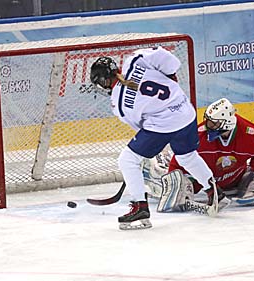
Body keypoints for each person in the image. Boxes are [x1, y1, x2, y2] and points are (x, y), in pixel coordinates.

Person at [89, 46, 227, 230]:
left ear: (104, 82)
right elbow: (172, 62)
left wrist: (154, 141)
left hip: (164, 124)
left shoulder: (118, 103)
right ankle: (214, 191)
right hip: (186, 111)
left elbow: (141, 126)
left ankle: (140, 207)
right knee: (187, 156)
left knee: (128, 160)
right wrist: (170, 75)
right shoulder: (136, 59)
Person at [149, 98, 254, 212]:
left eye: (213, 123)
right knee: (175, 192)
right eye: (208, 121)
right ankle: (156, 168)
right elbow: (181, 159)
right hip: (202, 181)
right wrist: (174, 182)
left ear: (227, 123)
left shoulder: (250, 134)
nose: (208, 126)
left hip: (234, 179)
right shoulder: (199, 136)